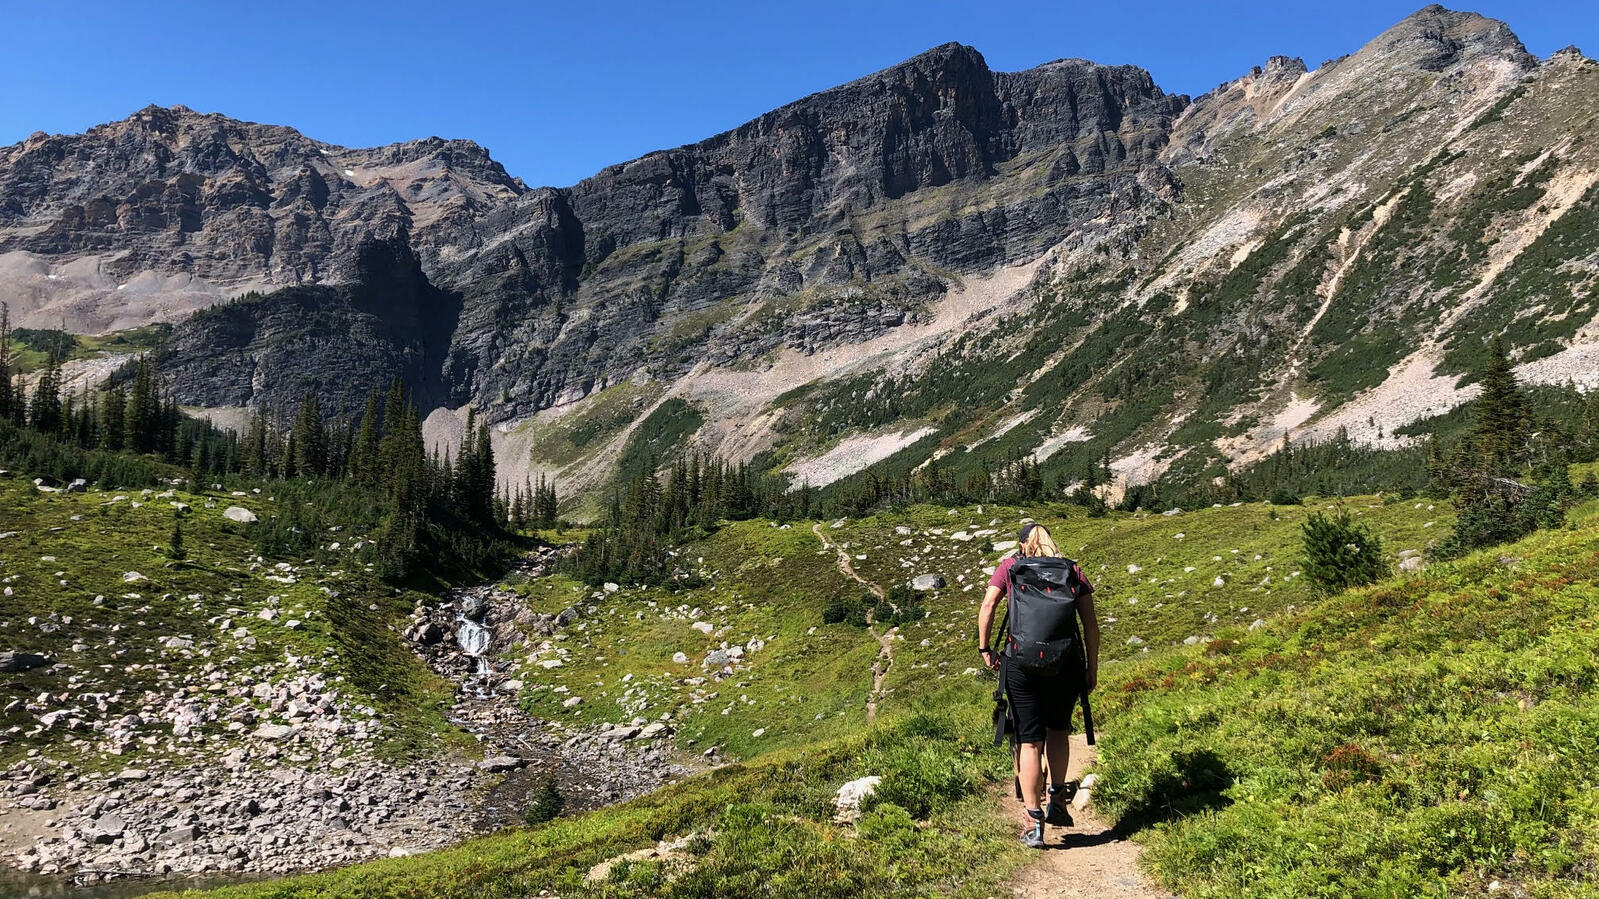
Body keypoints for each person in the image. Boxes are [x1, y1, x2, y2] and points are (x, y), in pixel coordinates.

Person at [976, 522, 1100, 848]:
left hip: (1021, 662)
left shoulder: (1010, 567)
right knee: (1058, 731)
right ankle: (1057, 801)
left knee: (1029, 741)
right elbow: (1090, 625)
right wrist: (1091, 668)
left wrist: (986, 649)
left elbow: (988, 606)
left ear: (1022, 544)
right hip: (1066, 663)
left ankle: (1034, 822)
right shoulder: (1072, 570)